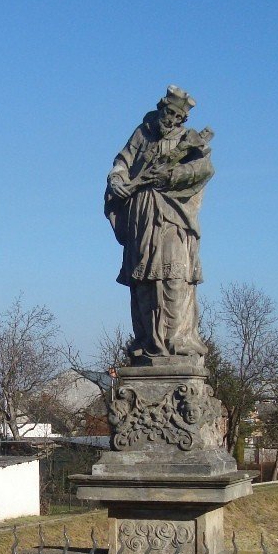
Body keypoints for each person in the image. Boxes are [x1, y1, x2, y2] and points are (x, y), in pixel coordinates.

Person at [105, 85, 214, 360]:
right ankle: (147, 340)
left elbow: (203, 168)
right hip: (141, 214)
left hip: (173, 215)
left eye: (176, 117)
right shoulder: (142, 134)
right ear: (161, 109)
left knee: (174, 275)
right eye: (168, 113)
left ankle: (177, 340)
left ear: (182, 119)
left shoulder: (189, 139)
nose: (170, 120)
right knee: (142, 279)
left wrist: (170, 176)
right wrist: (117, 179)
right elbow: (122, 161)